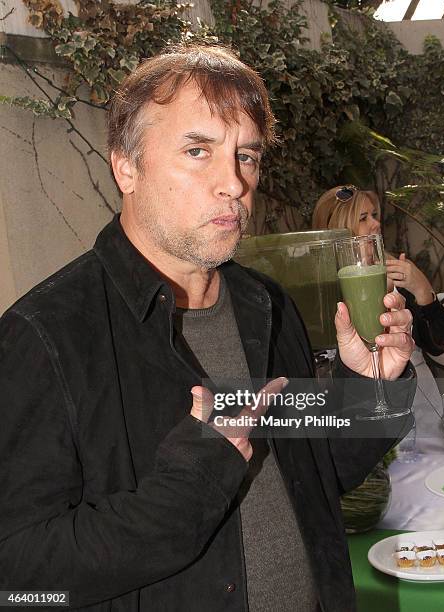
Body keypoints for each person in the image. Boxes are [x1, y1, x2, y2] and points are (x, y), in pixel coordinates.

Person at [0, 46, 415, 612]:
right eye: (199, 151)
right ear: (126, 165)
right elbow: (19, 579)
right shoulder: (45, 335)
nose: (234, 184)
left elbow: (316, 479)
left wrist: (370, 387)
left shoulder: (264, 304)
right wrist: (195, 478)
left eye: (246, 156)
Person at [312, 185, 444, 356]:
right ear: (337, 229)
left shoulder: (398, 272)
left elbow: (440, 344)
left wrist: (422, 289)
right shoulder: (321, 289)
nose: (376, 224)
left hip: (412, 379)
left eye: (374, 215)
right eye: (363, 218)